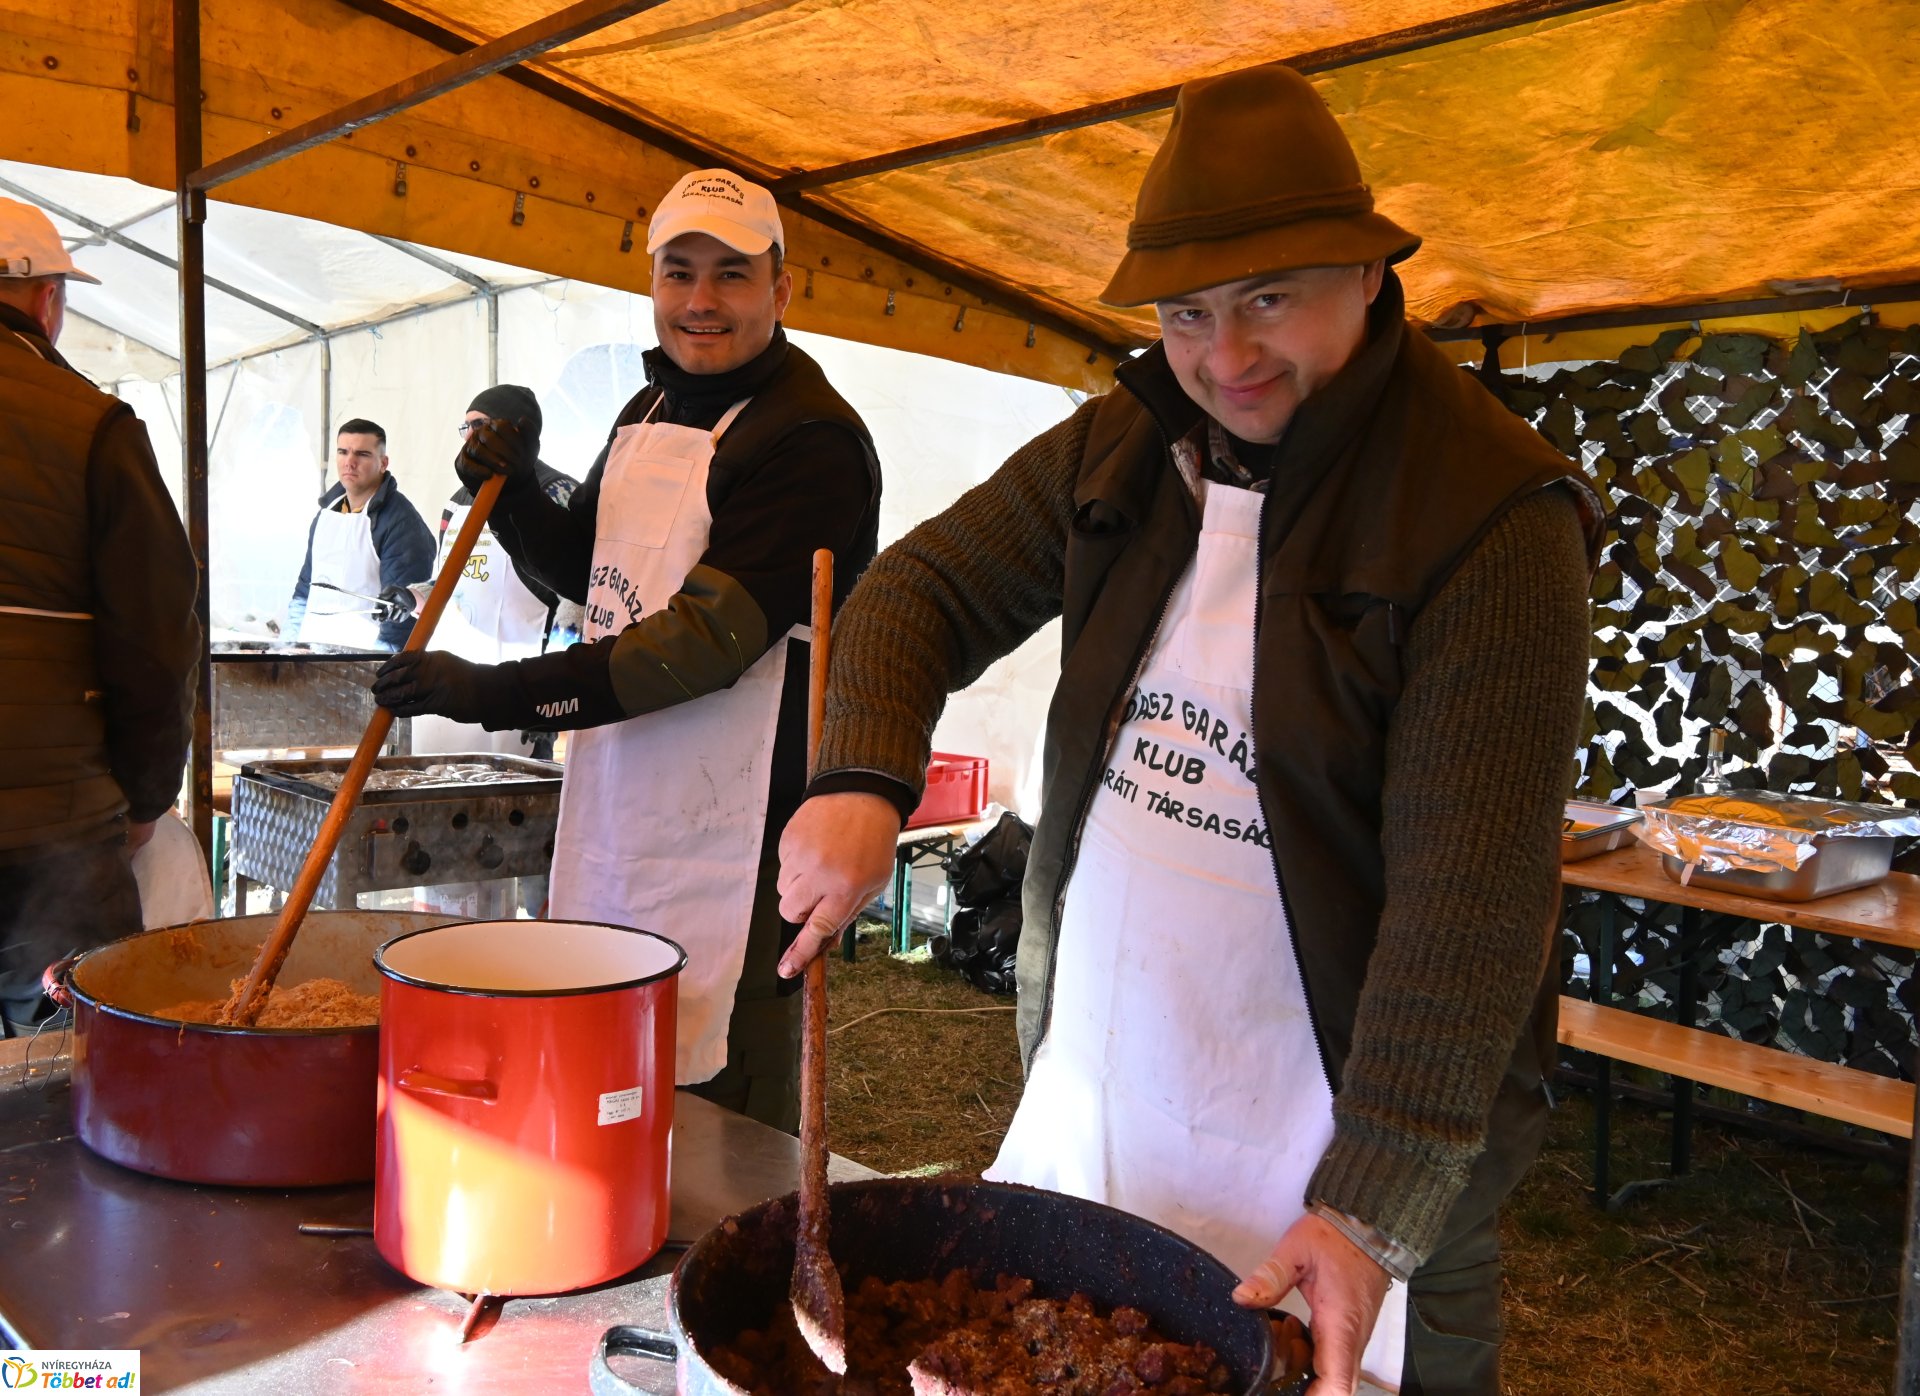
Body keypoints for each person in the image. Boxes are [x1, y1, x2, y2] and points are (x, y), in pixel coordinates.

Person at [774, 66, 1600, 1396]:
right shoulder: (1125, 445)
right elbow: (916, 591)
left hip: (1337, 1142)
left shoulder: (1491, 515)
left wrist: (1376, 1206)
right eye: (1187, 312)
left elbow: (1472, 914)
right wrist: (863, 772)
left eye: (1271, 297)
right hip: (1111, 1088)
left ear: (1368, 272)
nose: (1226, 357)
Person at [372, 169, 882, 1132]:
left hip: (742, 823)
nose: (700, 302)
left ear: (782, 288)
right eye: (678, 272)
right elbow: (590, 571)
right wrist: (517, 492)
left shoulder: (808, 440)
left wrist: (491, 693)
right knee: (609, 1064)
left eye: (731, 275)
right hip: (621, 787)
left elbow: (702, 642)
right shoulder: (647, 411)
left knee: (717, 1101)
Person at [0, 197, 198, 1029]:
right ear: (48, 300)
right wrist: (146, 801)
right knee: (69, 1073)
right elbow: (155, 640)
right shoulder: (92, 425)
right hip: (52, 830)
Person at [409, 384, 577, 758]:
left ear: (516, 429)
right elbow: (451, 578)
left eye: (480, 424)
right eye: (465, 426)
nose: (469, 436)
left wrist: (559, 674)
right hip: (458, 669)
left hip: (523, 670)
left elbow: (578, 592)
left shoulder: (557, 490)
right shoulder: (458, 500)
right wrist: (413, 595)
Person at [285, 418, 435, 651]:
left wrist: (380, 669)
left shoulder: (401, 522)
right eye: (343, 452)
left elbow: (400, 615)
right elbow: (305, 587)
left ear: (383, 463)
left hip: (362, 660)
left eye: (362, 454)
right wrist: (287, 643)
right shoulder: (325, 514)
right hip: (310, 653)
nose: (349, 462)